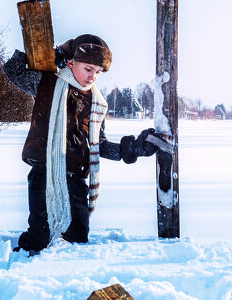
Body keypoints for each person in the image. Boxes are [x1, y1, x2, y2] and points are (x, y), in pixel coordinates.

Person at [14, 34, 157, 253]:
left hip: (77, 176)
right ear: (70, 63)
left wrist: (131, 149)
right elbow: (13, 69)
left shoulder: (96, 102)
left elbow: (99, 144)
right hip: (45, 171)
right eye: (88, 69)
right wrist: (55, 53)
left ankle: (73, 276)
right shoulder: (48, 83)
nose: (92, 77)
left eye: (98, 72)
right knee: (39, 235)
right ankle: (26, 273)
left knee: (78, 238)